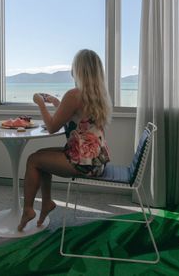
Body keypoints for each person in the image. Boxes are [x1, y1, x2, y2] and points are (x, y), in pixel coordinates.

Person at [18, 49, 112, 231]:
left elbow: (53, 126)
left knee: (33, 160)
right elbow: (77, 117)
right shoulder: (99, 95)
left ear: (78, 70)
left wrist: (40, 103)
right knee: (40, 156)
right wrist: (55, 102)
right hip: (96, 160)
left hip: (83, 162)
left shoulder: (74, 94)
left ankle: (28, 209)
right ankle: (46, 203)